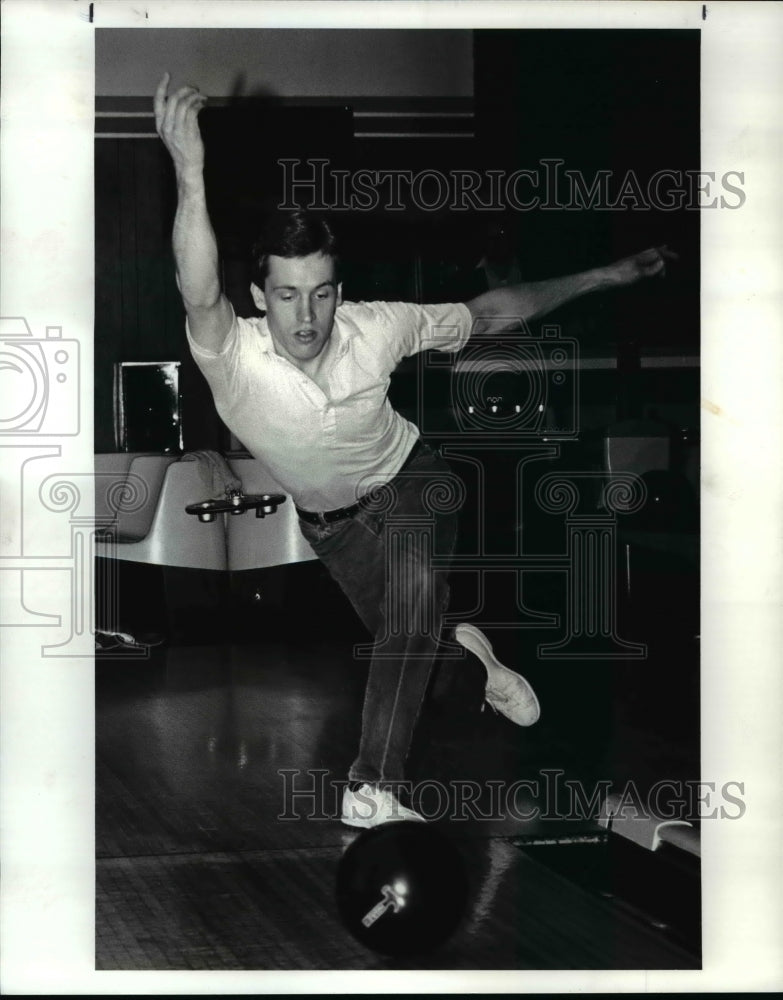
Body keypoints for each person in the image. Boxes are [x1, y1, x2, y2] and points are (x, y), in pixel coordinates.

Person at [154, 74, 676, 828]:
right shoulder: (228, 350)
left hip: (414, 486)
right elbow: (197, 286)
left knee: (406, 623)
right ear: (260, 296)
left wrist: (605, 274)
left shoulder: (380, 325)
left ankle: (372, 787)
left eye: (323, 292)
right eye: (290, 295)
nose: (309, 315)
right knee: (427, 668)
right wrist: (190, 170)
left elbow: (492, 312)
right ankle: (477, 656)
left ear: (341, 288)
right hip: (332, 527)